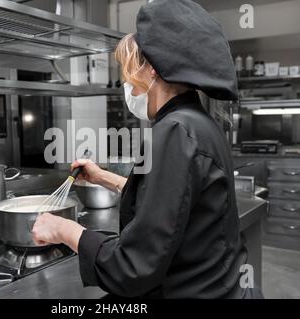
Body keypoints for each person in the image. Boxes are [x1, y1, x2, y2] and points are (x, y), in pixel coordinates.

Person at [32, 0, 263, 298]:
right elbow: (174, 200)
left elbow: (132, 268)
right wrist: (104, 177)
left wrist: (62, 230)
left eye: (129, 72)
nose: (127, 84)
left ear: (152, 69)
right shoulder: (197, 123)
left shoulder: (174, 132)